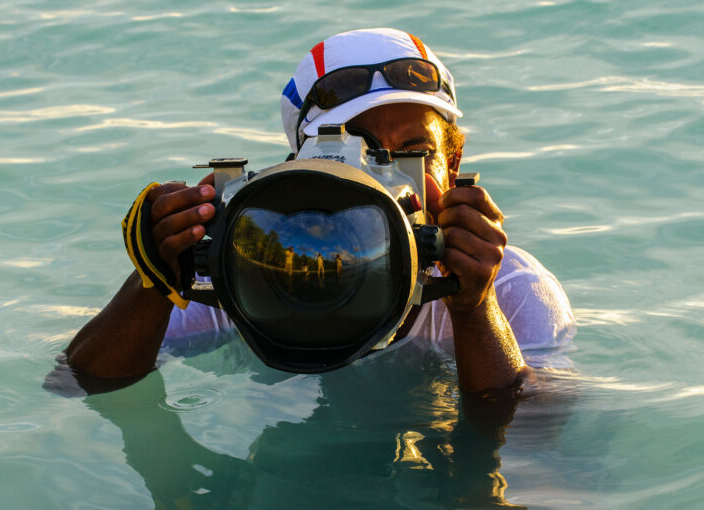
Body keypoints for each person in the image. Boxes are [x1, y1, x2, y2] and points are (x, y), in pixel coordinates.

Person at [63, 28, 575, 392]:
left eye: (414, 153)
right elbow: (83, 383)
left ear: (453, 163)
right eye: (359, 152)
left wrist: (474, 308)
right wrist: (155, 281)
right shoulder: (256, 263)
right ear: (304, 169)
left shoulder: (511, 288)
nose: (388, 174)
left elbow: (531, 435)